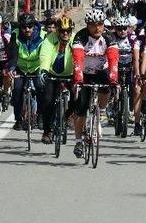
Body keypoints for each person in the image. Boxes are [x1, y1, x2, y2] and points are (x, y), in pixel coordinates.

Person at [71, 9, 119, 157]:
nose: (97, 28)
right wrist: (78, 80)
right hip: (84, 73)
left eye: (100, 24)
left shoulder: (109, 37)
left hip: (101, 71)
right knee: (81, 110)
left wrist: (113, 79)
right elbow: (78, 60)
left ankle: (102, 111)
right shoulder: (81, 36)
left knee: (107, 87)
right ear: (87, 25)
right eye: (93, 25)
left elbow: (113, 60)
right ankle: (78, 141)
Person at [38, 16, 76, 144]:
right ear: (57, 30)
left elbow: (78, 56)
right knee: (48, 101)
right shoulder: (50, 38)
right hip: (52, 73)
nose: (65, 33)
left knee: (78, 97)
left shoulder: (75, 39)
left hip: (70, 73)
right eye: (62, 31)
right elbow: (45, 54)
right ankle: (47, 131)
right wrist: (43, 70)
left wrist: (79, 72)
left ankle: (69, 115)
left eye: (68, 31)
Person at [8, 13, 46, 131]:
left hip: (37, 67)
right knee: (17, 90)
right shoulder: (15, 34)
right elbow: (13, 53)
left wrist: (44, 69)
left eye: (29, 26)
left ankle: (40, 115)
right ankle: (18, 120)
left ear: (34, 25)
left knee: (41, 88)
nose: (27, 29)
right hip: (21, 67)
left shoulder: (43, 35)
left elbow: (45, 55)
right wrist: (12, 68)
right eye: (23, 27)